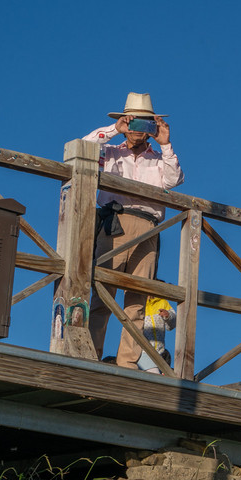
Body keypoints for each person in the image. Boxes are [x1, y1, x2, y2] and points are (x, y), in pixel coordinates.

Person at [84, 93, 184, 368]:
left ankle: (127, 362)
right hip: (114, 223)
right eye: (134, 122)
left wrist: (166, 144)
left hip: (149, 226)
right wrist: (113, 130)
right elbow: (81, 148)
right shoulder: (110, 151)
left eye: (145, 122)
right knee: (103, 292)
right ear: (125, 121)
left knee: (137, 299)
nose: (139, 129)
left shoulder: (158, 157)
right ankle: (90, 355)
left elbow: (175, 179)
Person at [136, 295, 176, 374]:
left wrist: (168, 315)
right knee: (155, 376)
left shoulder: (162, 302)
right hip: (142, 351)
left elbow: (172, 325)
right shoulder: (138, 302)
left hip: (159, 353)